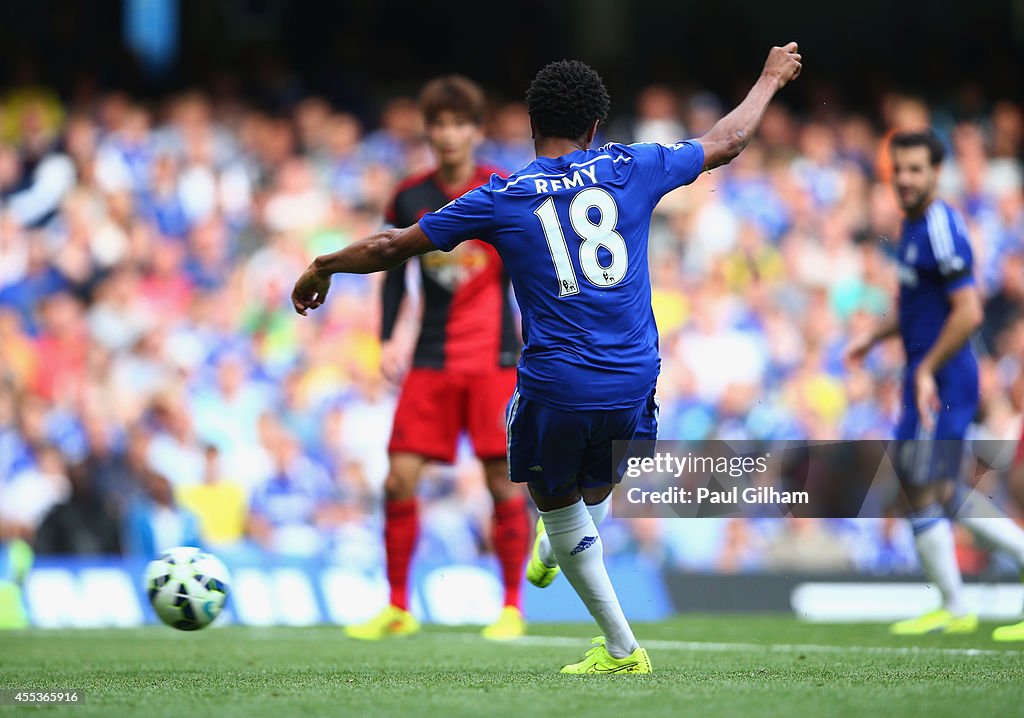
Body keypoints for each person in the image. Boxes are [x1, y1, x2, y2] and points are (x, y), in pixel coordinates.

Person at [294, 45, 803, 673]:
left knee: (554, 500)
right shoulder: (633, 165)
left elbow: (391, 246)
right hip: (636, 376)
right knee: (591, 493)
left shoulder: (501, 196)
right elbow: (727, 141)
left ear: (532, 127)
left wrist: (322, 267)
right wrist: (768, 78)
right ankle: (560, 543)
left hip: (557, 384)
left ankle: (620, 647)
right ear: (595, 128)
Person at [342, 76, 530, 641]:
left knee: (502, 482)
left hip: (493, 357)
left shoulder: (501, 187)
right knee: (398, 479)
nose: (448, 134)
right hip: (429, 356)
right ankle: (398, 606)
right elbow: (393, 274)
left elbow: (527, 267)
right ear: (428, 131)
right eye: (439, 124)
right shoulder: (408, 196)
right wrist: (386, 340)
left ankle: (512, 608)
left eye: (459, 124)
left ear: (476, 130)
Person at [846, 129, 1024, 640]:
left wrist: (925, 369)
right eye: (898, 169)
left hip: (942, 376)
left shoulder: (942, 226)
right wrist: (871, 337)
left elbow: (969, 312)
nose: (904, 178)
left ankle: (954, 602)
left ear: (935, 172)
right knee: (925, 486)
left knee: (929, 485)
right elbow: (914, 307)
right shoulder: (914, 224)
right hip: (923, 373)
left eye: (915, 169)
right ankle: (953, 604)